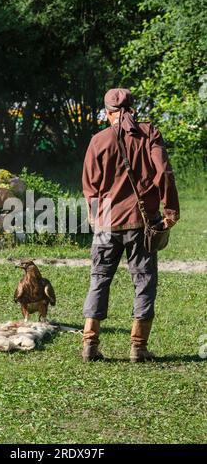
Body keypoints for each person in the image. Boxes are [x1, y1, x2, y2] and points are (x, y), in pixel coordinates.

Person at [82, 88, 180, 363]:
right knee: (144, 282)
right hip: (141, 222)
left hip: (106, 223)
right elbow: (164, 173)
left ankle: (90, 345)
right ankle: (138, 347)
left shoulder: (98, 140)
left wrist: (95, 215)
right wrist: (170, 209)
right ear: (132, 108)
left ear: (107, 112)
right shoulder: (149, 134)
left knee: (99, 280)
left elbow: (89, 185)